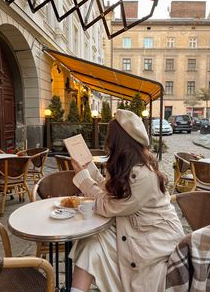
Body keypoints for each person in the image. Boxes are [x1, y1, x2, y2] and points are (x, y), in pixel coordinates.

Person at [69, 109, 184, 292]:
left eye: (110, 137)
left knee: (93, 242)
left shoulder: (143, 175)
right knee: (89, 242)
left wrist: (83, 178)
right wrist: (89, 168)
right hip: (135, 231)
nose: (107, 142)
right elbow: (110, 190)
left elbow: (108, 205)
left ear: (118, 141)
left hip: (153, 241)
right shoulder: (130, 165)